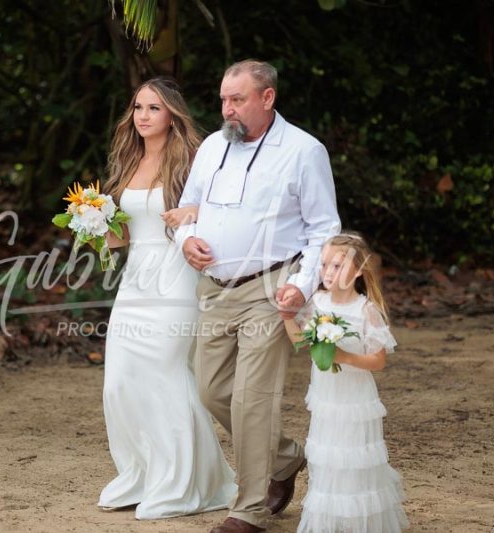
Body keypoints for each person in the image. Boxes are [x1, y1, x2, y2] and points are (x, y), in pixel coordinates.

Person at [175, 60, 341, 533]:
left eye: (238, 100)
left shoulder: (304, 151)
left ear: (267, 98)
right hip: (214, 288)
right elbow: (189, 209)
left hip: (272, 287)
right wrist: (185, 240)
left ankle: (247, 510)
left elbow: (323, 229)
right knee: (210, 389)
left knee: (253, 398)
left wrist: (303, 284)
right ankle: (287, 457)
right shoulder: (212, 147)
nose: (227, 109)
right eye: (224, 99)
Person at [98, 76, 237, 519]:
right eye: (138, 107)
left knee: (164, 371)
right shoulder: (126, 161)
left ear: (172, 113)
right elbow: (121, 238)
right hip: (136, 276)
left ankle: (183, 483)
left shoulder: (193, 159)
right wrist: (93, 225)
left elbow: (221, 207)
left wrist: (194, 212)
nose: (143, 116)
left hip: (177, 274)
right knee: (120, 379)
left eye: (154, 108)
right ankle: (142, 473)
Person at [284, 232, 409, 532]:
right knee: (327, 456)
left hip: (354, 398)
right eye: (324, 264)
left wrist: (344, 356)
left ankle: (358, 523)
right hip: (327, 396)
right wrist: (287, 315)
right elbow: (301, 341)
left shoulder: (365, 310)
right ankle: (331, 522)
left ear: (358, 271)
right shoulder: (317, 302)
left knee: (353, 457)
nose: (327, 272)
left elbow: (378, 360)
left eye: (337, 266)